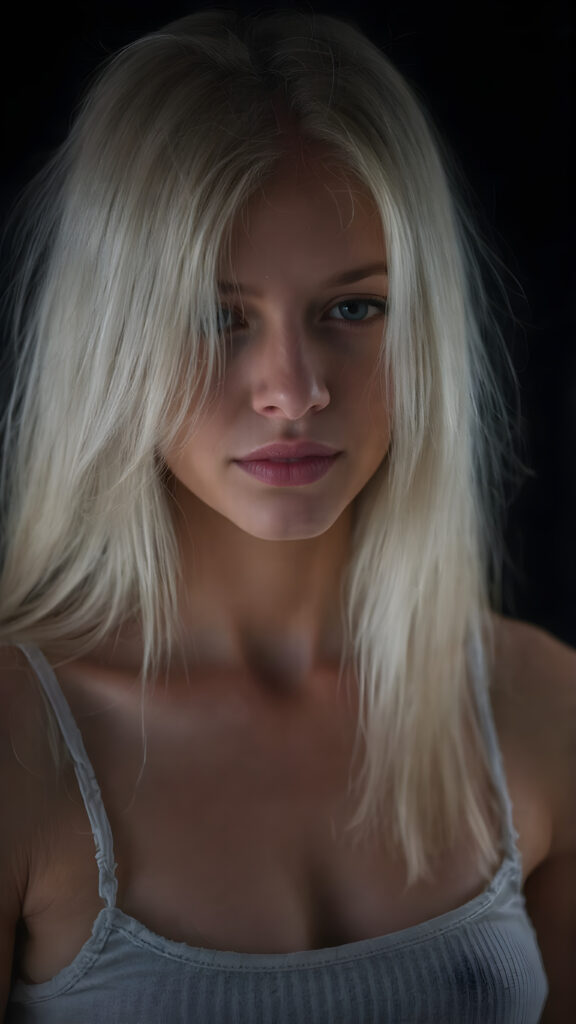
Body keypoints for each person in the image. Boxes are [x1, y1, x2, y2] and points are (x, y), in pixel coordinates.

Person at [0, 7, 574, 1023]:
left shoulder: (539, 706)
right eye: (218, 318)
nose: (294, 389)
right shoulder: (21, 737)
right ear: (113, 342)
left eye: (353, 308)